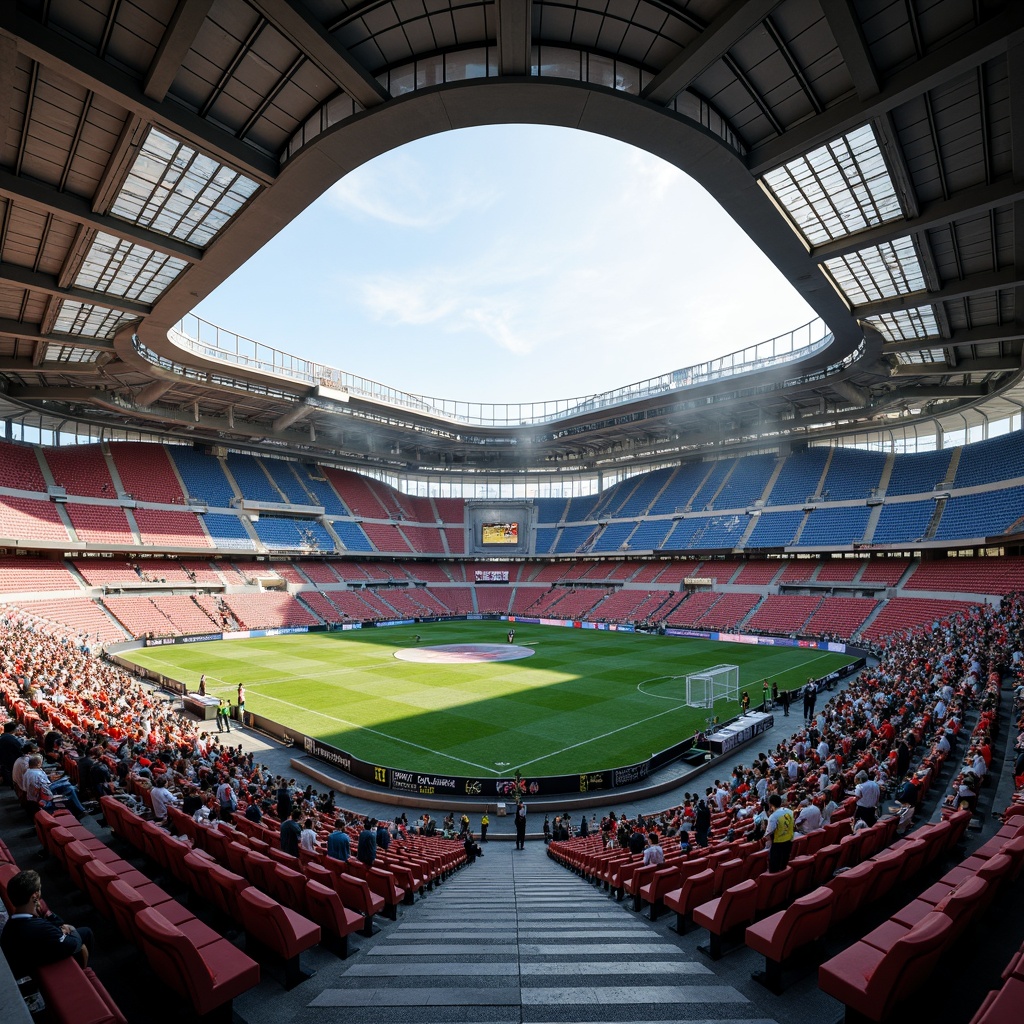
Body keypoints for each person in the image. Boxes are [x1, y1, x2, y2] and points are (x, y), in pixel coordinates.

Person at [0, 870, 94, 977]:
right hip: (40, 970)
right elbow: (73, 944)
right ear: (35, 896)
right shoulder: (41, 927)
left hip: (32, 957)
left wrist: (47, 915)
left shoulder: (9, 926)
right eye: (39, 888)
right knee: (86, 932)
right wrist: (70, 929)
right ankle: (82, 974)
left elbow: (58, 923)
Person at [765, 793, 795, 872]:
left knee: (774, 869)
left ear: (770, 804)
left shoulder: (773, 816)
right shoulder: (790, 811)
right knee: (783, 866)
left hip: (778, 845)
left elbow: (769, 833)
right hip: (789, 842)